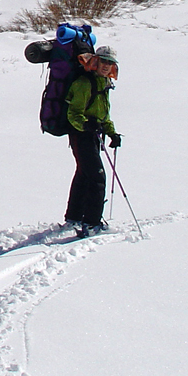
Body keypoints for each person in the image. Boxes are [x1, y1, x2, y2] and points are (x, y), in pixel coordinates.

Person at [63, 45, 122, 237]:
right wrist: (86, 125)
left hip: (92, 135)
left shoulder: (103, 82)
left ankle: (74, 217)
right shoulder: (84, 83)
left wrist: (111, 133)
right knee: (97, 177)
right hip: (81, 136)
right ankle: (91, 223)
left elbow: (102, 114)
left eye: (110, 63)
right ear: (95, 61)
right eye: (104, 61)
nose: (106, 66)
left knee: (84, 174)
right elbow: (73, 113)